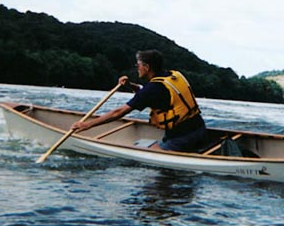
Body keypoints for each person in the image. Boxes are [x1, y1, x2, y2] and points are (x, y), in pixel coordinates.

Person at [71, 50, 207, 152]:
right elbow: (148, 92)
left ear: (147, 67)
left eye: (138, 65)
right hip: (200, 129)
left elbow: (118, 112)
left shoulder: (152, 88)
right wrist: (130, 85)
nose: (137, 68)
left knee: (143, 151)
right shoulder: (171, 76)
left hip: (182, 139)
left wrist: (87, 125)